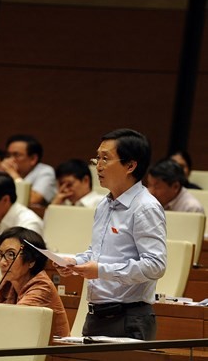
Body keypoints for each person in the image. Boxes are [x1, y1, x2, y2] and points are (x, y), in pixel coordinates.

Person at [54, 128, 167, 340]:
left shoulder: (145, 207)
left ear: (130, 165)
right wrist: (74, 261)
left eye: (105, 158)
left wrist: (102, 270)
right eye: (97, 157)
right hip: (96, 316)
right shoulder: (104, 204)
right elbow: (96, 254)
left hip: (129, 319)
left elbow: (155, 265)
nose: (98, 165)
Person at [0, 227, 70, 337]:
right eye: (0, 255)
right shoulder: (8, 282)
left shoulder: (42, 287)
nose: (2, 262)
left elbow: (10, 322)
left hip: (50, 352)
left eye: (11, 255)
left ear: (31, 261)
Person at [1, 134, 57, 206]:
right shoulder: (6, 172)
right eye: (8, 155)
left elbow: (33, 199)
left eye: (16, 155)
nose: (10, 160)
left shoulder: (45, 172)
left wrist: (13, 174)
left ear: (33, 159)